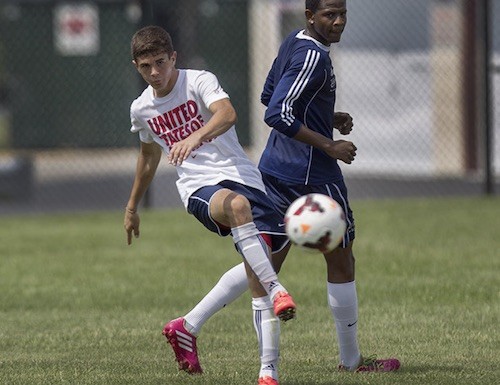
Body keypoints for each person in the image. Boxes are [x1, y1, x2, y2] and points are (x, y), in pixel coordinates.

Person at [162, 0, 400, 381]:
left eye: (343, 14)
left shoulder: (295, 40)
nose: (338, 22)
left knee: (266, 261)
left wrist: (326, 116)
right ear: (310, 16)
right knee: (341, 258)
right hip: (312, 174)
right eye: (329, 15)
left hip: (273, 169)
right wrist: (330, 144)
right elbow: (277, 113)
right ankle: (352, 361)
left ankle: (188, 325)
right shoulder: (313, 57)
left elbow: (270, 96)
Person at [123, 25, 296, 385]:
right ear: (136, 67)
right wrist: (131, 207)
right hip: (200, 188)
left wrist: (195, 136)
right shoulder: (141, 108)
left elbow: (228, 114)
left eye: (159, 63)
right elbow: (148, 157)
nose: (154, 73)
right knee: (237, 210)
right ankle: (271, 352)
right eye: (145, 67)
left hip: (243, 176)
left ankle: (189, 328)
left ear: (173, 58)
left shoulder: (198, 80)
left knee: (263, 261)